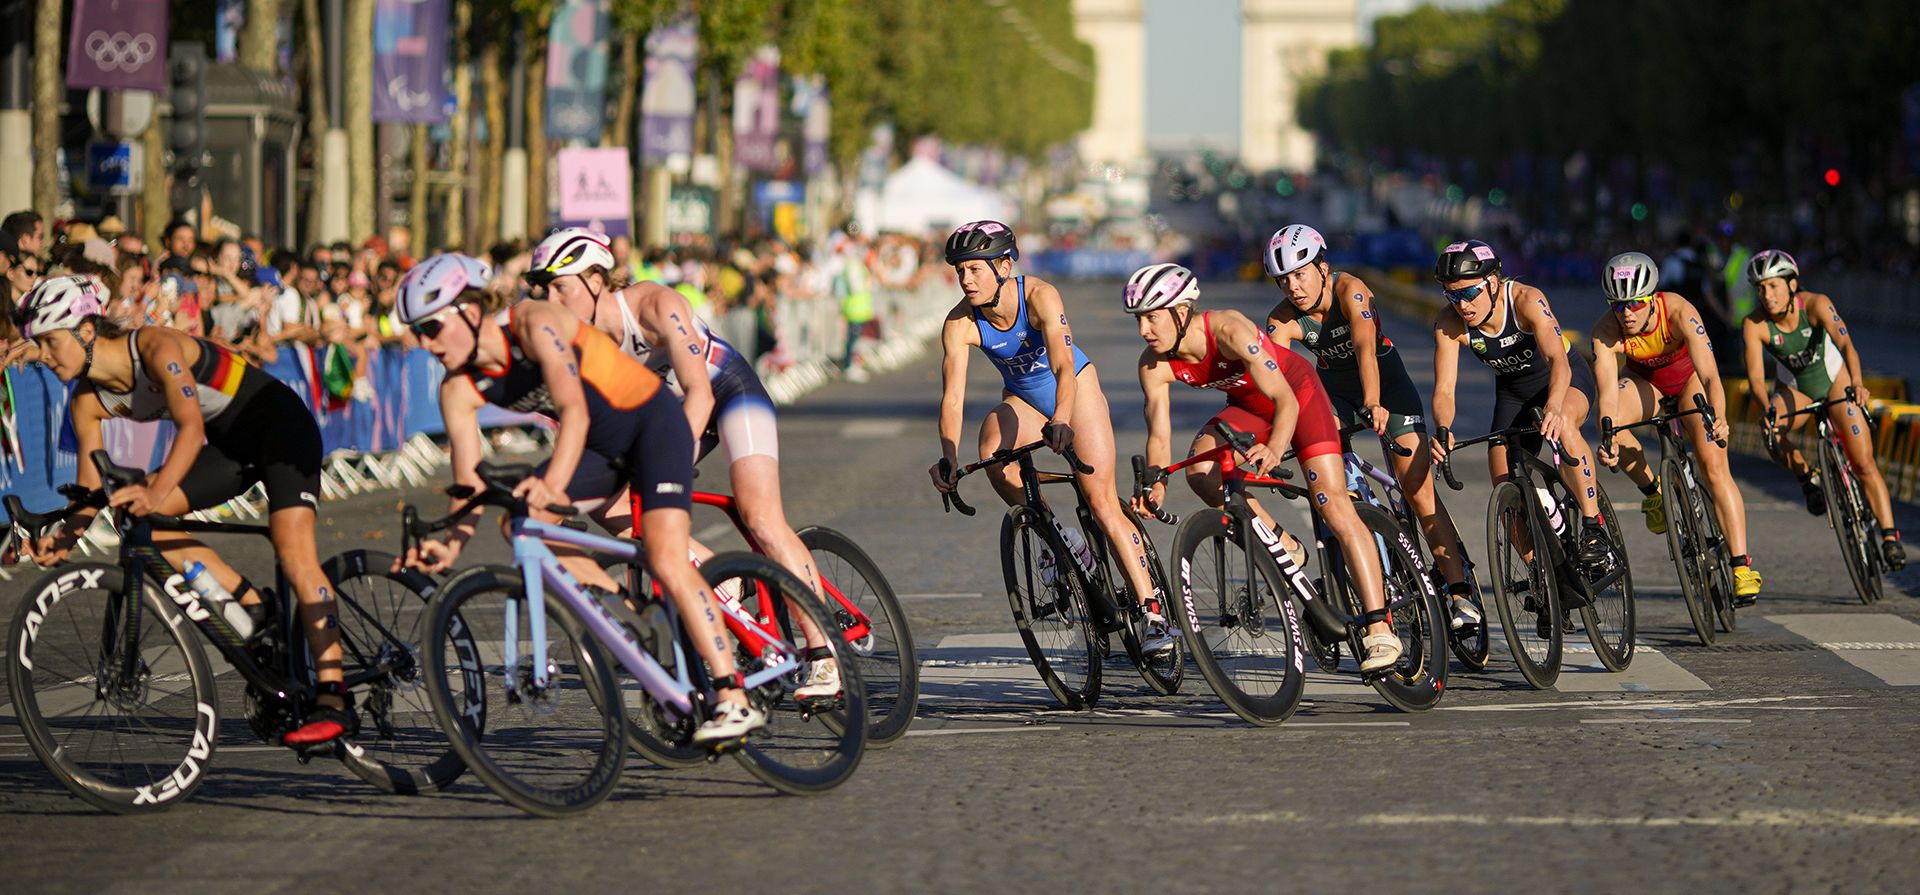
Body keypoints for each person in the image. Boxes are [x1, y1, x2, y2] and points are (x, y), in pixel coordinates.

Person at [394, 254, 767, 741]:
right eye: (416, 332)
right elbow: (470, 483)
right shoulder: (457, 389)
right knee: (520, 522)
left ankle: (733, 694)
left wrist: (552, 483)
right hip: (599, 446)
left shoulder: (533, 320)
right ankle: (630, 618)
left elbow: (573, 408)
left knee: (666, 554)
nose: (425, 343)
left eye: (431, 326)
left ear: (468, 310)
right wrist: (451, 544)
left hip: (651, 422)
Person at [12, 275, 354, 745]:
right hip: (231, 446)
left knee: (294, 553)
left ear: (87, 331)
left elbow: (190, 430)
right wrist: (63, 540)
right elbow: (91, 490)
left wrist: (155, 491)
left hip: (280, 428)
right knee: (136, 518)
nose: (45, 357)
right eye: (38, 345)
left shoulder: (154, 345)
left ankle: (334, 697)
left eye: (50, 343)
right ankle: (253, 610)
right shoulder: (86, 403)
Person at [521, 228, 843, 699]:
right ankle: (722, 581)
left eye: (560, 286)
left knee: (760, 515)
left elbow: (698, 392)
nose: (550, 298)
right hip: (663, 420)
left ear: (595, 280)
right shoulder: (569, 341)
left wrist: (664, 458)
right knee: (611, 510)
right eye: (543, 290)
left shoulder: (654, 305)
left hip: (727, 394)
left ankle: (823, 653)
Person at [1124, 262, 1404, 672]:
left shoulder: (1229, 330)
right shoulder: (1153, 364)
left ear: (1181, 311)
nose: (1144, 330)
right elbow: (1159, 436)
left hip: (1298, 395)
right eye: (1138, 320)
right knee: (1201, 472)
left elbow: (1285, 398)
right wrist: (1156, 480)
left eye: (1152, 317)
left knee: (1333, 504)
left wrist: (1274, 448)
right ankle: (1283, 543)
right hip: (1247, 408)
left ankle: (1380, 629)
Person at [927, 221, 1174, 653]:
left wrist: (1062, 418)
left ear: (1004, 266)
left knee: (1101, 501)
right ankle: (1059, 536)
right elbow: (953, 399)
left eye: (975, 269)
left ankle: (1152, 613)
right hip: (1023, 400)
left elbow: (1063, 366)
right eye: (960, 271)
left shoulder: (1040, 296)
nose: (966, 280)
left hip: (1075, 391)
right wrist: (948, 456)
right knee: (992, 450)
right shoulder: (959, 321)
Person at [1260, 224, 1480, 632]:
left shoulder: (1351, 290)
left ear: (1323, 267)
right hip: (1336, 396)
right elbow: (1273, 380)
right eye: (1284, 279)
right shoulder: (1283, 319)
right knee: (1333, 483)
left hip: (1386, 384)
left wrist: (1375, 401)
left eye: (1301, 273)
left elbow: (1364, 343)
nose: (1293, 286)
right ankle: (1373, 559)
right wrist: (1273, 440)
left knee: (1417, 492)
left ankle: (1460, 591)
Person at [1429, 240, 1613, 571]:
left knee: (1565, 425)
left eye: (1468, 293)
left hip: (1563, 380)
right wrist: (1443, 431)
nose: (1461, 305)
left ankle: (1593, 527)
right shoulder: (1448, 324)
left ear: (1493, 283)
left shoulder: (1527, 300)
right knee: (1502, 481)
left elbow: (1558, 359)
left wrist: (1555, 406)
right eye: (1452, 295)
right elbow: (1444, 390)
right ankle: (1539, 574)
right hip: (1513, 392)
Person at [1589, 251, 1761, 602]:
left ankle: (1741, 565)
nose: (1626, 314)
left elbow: (1711, 375)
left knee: (1714, 469)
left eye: (1635, 304)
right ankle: (1654, 493)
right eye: (1618, 305)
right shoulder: (1605, 331)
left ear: (1652, 298)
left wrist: (1720, 418)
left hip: (1688, 383)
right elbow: (1607, 392)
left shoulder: (1680, 311)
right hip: (1645, 383)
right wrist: (1608, 439)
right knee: (1610, 419)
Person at [1741, 249, 1904, 571]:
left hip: (1835, 382)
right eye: (1760, 289)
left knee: (1863, 462)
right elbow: (1756, 378)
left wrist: (1857, 383)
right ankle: (1807, 478)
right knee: (1770, 431)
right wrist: (1766, 408)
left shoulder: (1816, 304)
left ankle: (1889, 537)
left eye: (1773, 286)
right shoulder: (1754, 323)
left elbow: (1846, 346)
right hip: (1794, 390)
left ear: (1792, 284)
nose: (1766, 295)